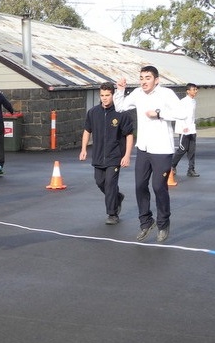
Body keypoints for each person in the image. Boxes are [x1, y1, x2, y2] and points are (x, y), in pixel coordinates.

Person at [114, 66, 186, 243]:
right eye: (141, 78)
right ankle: (146, 222)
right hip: (143, 148)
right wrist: (120, 90)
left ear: (157, 79)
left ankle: (163, 223)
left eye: (148, 77)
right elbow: (121, 107)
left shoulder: (166, 94)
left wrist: (159, 114)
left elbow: (182, 113)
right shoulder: (137, 93)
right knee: (139, 186)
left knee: (159, 187)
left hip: (162, 149)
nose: (144, 81)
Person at [79, 82, 134, 225]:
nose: (104, 98)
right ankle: (117, 197)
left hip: (115, 156)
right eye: (102, 95)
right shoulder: (93, 112)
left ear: (113, 95)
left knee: (110, 183)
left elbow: (129, 135)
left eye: (107, 95)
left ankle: (112, 214)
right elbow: (87, 130)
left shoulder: (121, 113)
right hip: (98, 155)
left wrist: (127, 155)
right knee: (100, 182)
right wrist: (83, 149)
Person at [171, 83, 199, 178]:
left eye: (196, 89)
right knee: (182, 149)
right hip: (184, 129)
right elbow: (178, 116)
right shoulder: (183, 102)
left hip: (192, 129)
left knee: (192, 150)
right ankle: (172, 166)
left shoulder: (194, 101)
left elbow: (192, 116)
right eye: (194, 89)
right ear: (188, 91)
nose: (196, 91)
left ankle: (191, 170)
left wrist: (192, 126)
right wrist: (183, 127)